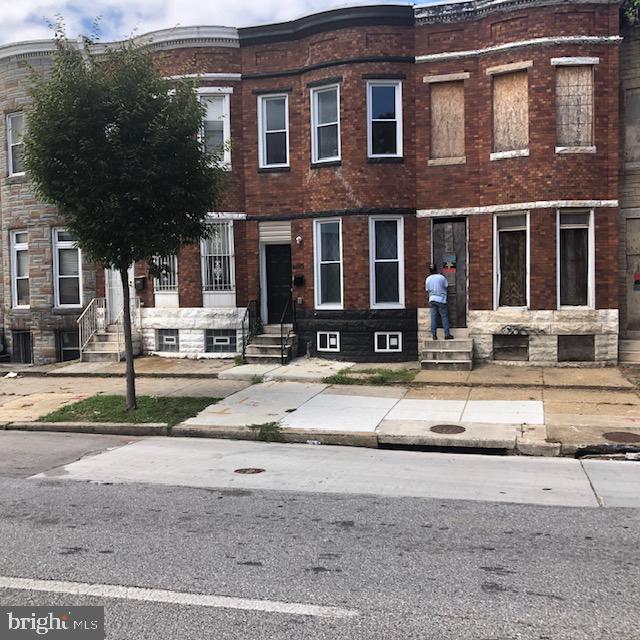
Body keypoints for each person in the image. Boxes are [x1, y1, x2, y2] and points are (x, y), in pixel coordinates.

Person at [425, 263, 453, 340]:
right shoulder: (441, 277)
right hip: (441, 299)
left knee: (433, 318)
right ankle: (447, 334)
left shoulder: (428, 279)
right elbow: (446, 286)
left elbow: (427, 290)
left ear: (430, 271)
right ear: (437, 269)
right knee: (444, 317)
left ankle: (434, 335)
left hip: (432, 299)